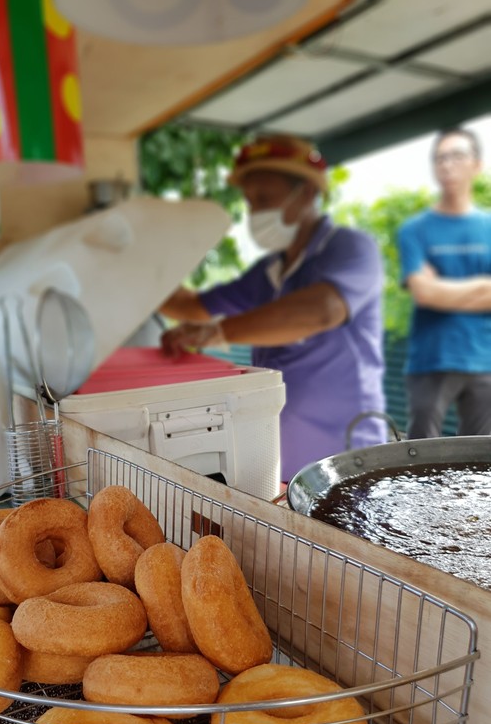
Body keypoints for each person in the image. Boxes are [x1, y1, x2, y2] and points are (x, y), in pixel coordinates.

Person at [159, 135, 387, 483]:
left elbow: (322, 309)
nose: (255, 213)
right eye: (250, 202)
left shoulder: (350, 248)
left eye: (264, 199)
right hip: (280, 459)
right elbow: (192, 306)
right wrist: (141, 274)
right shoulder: (267, 273)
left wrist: (219, 331)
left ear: (307, 193)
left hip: (348, 461)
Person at [397, 127, 491, 439]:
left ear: (477, 164)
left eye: (457, 156)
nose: (447, 165)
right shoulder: (414, 230)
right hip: (430, 358)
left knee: (480, 463)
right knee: (417, 459)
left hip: (484, 358)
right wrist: (480, 286)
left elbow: (435, 290)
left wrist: (442, 289)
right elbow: (424, 293)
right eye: (440, 158)